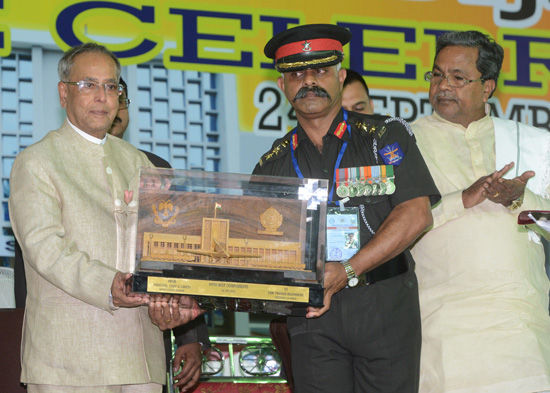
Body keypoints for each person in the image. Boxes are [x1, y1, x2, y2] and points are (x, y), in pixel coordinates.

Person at [256, 24, 440, 393]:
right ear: (282, 86)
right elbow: (256, 247)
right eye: (296, 74)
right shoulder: (270, 164)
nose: (309, 82)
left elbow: (416, 213)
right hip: (312, 315)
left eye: (320, 71)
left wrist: (348, 268)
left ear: (340, 77)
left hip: (383, 304)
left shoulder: (384, 136)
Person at [8, 42, 199, 393]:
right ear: (64, 93)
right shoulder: (37, 161)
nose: (102, 96)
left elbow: (163, 246)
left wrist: (173, 296)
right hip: (67, 357)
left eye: (111, 86)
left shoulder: (140, 162)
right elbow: (44, 248)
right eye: (89, 85)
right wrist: (106, 284)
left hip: (140, 355)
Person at [410, 30, 550, 392]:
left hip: (520, 323)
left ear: (487, 87)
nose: (443, 86)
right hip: (441, 322)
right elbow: (392, 226)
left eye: (458, 78)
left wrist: (520, 198)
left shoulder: (532, 143)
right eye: (437, 74)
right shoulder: (404, 142)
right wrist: (463, 198)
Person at [109, 76, 211, 393]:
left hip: (146, 329)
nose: (111, 105)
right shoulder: (53, 163)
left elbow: (180, 259)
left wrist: (190, 337)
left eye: (119, 97)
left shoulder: (156, 169)